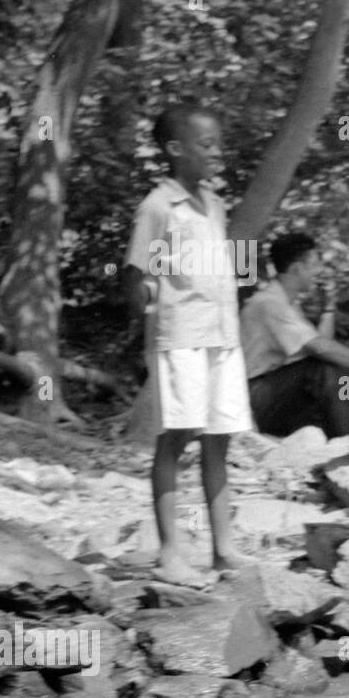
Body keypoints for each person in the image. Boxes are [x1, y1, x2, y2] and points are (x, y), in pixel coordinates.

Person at [121, 103, 253, 586]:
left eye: (219, 143)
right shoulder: (160, 207)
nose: (217, 153)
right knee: (176, 436)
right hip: (180, 337)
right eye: (207, 144)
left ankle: (224, 548)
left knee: (220, 438)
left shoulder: (213, 203)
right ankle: (172, 552)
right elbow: (138, 276)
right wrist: (152, 317)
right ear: (176, 149)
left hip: (221, 335)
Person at [240, 232, 349, 439]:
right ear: (296, 268)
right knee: (329, 367)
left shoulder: (289, 303)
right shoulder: (270, 303)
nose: (318, 271)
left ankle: (348, 429)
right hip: (255, 396)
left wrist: (329, 307)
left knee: (338, 365)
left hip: (274, 390)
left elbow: (322, 344)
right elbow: (320, 348)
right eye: (313, 264)